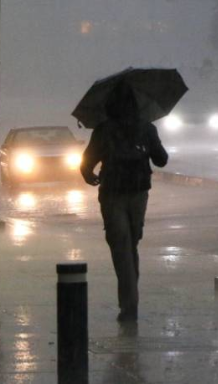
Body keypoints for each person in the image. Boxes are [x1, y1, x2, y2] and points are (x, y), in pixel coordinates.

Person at [80, 83, 168, 322]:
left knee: (121, 247)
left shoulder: (103, 130)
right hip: (138, 192)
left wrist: (91, 176)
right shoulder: (146, 129)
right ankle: (130, 300)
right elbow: (162, 160)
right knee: (131, 245)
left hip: (112, 193)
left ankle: (129, 304)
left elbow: (86, 164)